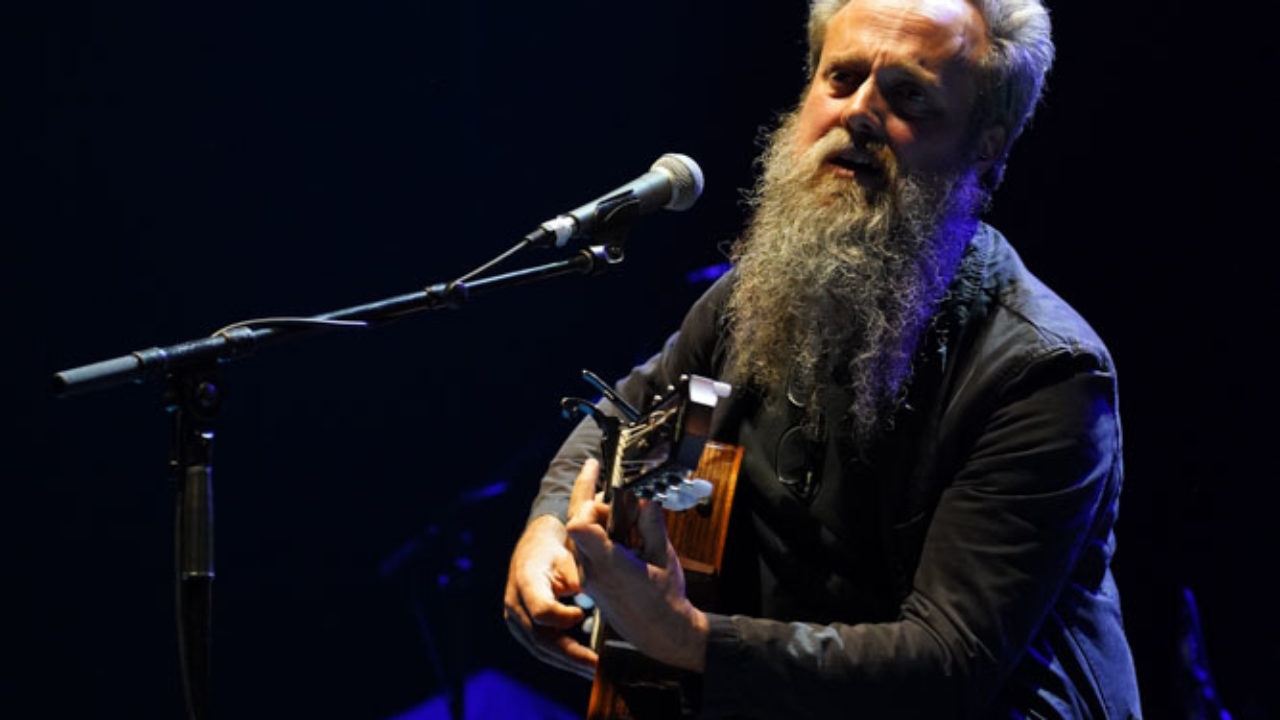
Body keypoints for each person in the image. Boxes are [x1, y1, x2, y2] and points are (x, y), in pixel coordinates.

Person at [504, 0, 1142, 717]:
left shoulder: (1044, 374)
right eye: (841, 77)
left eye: (909, 95)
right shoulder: (756, 295)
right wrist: (547, 530)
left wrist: (689, 639)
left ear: (985, 145)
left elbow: (947, 663)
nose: (860, 112)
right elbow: (623, 416)